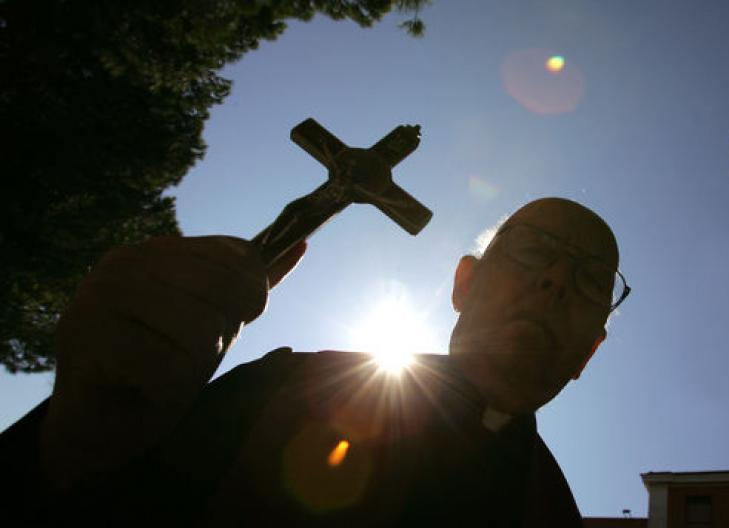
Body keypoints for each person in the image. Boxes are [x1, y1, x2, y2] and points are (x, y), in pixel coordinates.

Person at [0, 197, 629, 526]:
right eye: (533, 252)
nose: (555, 282)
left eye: (592, 279)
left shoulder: (551, 513)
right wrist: (80, 432)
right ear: (464, 284)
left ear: (590, 352)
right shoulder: (288, 385)